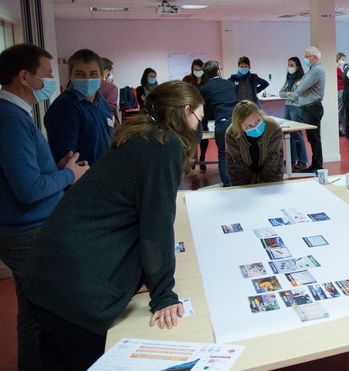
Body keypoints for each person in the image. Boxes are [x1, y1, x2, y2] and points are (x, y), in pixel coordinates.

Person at [25, 81, 200, 370]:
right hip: (77, 292)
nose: (198, 125)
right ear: (185, 111)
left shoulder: (140, 133)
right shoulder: (164, 143)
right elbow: (155, 225)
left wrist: (138, 276)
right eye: (198, 116)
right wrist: (163, 293)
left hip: (47, 276)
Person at [0, 43, 89, 371]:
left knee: (32, 315)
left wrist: (58, 167)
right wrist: (68, 175)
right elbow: (28, 189)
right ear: (25, 76)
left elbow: (28, 173)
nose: (52, 81)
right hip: (28, 233)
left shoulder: (15, 115)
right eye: (48, 75)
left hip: (26, 230)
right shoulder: (11, 118)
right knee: (52, 313)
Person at [45, 48, 114, 166]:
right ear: (70, 75)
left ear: (102, 75)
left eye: (93, 74)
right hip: (83, 181)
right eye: (79, 74)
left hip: (104, 173)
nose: (87, 79)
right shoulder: (64, 107)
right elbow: (65, 159)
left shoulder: (101, 102)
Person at [225, 100, 284, 186]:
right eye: (249, 126)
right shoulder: (232, 133)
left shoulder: (273, 128)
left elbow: (274, 168)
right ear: (239, 126)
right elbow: (237, 171)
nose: (255, 127)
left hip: (270, 185)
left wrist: (265, 188)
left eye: (258, 121)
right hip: (245, 186)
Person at [199, 60, 238, 187]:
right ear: (218, 71)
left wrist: (204, 128)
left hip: (221, 123)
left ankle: (227, 184)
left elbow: (203, 110)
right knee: (239, 152)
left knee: (222, 154)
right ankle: (241, 180)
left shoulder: (204, 89)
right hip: (236, 121)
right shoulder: (230, 84)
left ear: (206, 75)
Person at [295, 46, 326, 172]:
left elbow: (301, 87)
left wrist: (300, 84)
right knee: (312, 138)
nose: (305, 59)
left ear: (314, 57)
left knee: (314, 138)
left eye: (307, 56)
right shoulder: (311, 70)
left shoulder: (316, 70)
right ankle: (315, 164)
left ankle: (317, 165)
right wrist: (300, 83)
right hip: (308, 108)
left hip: (313, 107)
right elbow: (301, 83)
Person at [279, 56, 309, 169]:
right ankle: (292, 158)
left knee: (297, 134)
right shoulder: (289, 79)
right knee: (288, 134)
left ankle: (302, 160)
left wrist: (288, 94)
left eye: (292, 65)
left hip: (296, 108)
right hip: (288, 107)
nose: (289, 67)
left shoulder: (302, 78)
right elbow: (281, 93)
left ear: (297, 66)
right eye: (288, 65)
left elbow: (298, 94)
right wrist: (289, 93)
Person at [183, 58, 211, 171]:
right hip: (191, 112)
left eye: (200, 69)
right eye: (195, 69)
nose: (198, 71)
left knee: (204, 135)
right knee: (192, 136)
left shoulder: (207, 80)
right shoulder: (187, 79)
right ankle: (192, 161)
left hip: (204, 111)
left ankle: (202, 157)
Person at [98, 57, 121, 126]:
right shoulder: (111, 88)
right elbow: (110, 114)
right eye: (112, 72)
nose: (112, 75)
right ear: (106, 72)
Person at [336, 52, 346, 136]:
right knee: (339, 110)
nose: (343, 61)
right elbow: (343, 77)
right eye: (342, 59)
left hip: (337, 90)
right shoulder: (337, 69)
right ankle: (338, 129)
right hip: (340, 90)